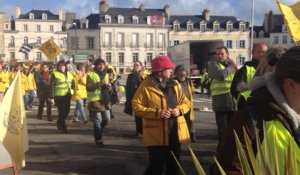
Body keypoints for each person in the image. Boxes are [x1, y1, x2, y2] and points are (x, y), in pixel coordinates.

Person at [212, 46, 300, 175]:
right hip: (225, 106)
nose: (220, 56)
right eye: (218, 54)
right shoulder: (250, 121)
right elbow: (229, 169)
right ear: (291, 84)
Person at [132, 56, 191, 175]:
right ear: (160, 71)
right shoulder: (145, 86)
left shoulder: (175, 85)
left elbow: (187, 103)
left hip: (174, 133)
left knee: (174, 167)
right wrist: (157, 113)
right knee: (156, 168)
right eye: (168, 69)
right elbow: (136, 107)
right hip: (155, 137)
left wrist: (179, 110)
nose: (171, 71)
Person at [208, 46, 237, 144]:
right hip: (221, 104)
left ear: (227, 54)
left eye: (222, 54)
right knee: (223, 133)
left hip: (233, 104)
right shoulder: (213, 65)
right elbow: (221, 75)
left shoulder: (231, 68)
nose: (219, 56)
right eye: (218, 54)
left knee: (233, 133)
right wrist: (231, 67)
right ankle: (221, 155)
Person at [230, 43, 268, 110]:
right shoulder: (245, 69)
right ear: (252, 53)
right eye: (259, 52)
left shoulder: (270, 69)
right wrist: (245, 102)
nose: (261, 54)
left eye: (264, 52)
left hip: (266, 107)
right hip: (249, 107)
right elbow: (235, 89)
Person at [86, 58, 111, 147]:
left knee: (107, 119)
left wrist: (109, 87)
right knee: (97, 121)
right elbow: (88, 88)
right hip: (95, 101)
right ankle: (98, 139)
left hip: (105, 100)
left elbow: (108, 86)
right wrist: (100, 84)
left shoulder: (106, 74)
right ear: (96, 66)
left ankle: (98, 131)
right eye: (99, 64)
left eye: (103, 64)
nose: (102, 66)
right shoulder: (91, 75)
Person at [49, 60, 75, 133]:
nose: (62, 67)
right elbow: (51, 86)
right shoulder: (55, 74)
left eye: (63, 65)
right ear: (58, 67)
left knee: (67, 111)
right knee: (62, 112)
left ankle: (59, 121)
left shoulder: (70, 74)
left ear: (65, 67)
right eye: (60, 66)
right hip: (59, 96)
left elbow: (73, 84)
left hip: (67, 96)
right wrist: (52, 97)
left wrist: (72, 91)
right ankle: (63, 127)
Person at [124, 61, 149, 136]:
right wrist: (128, 99)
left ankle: (144, 129)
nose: (136, 66)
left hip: (144, 97)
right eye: (135, 65)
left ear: (141, 66)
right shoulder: (131, 76)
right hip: (135, 97)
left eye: (138, 65)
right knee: (138, 115)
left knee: (145, 114)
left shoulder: (146, 75)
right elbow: (128, 88)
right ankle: (139, 130)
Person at [174, 65, 196, 142]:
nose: (183, 76)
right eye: (181, 74)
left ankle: (192, 135)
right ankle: (180, 135)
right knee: (180, 120)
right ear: (177, 74)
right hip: (179, 105)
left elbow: (192, 90)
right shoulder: (174, 82)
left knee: (191, 120)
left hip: (189, 104)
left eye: (184, 74)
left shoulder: (188, 81)